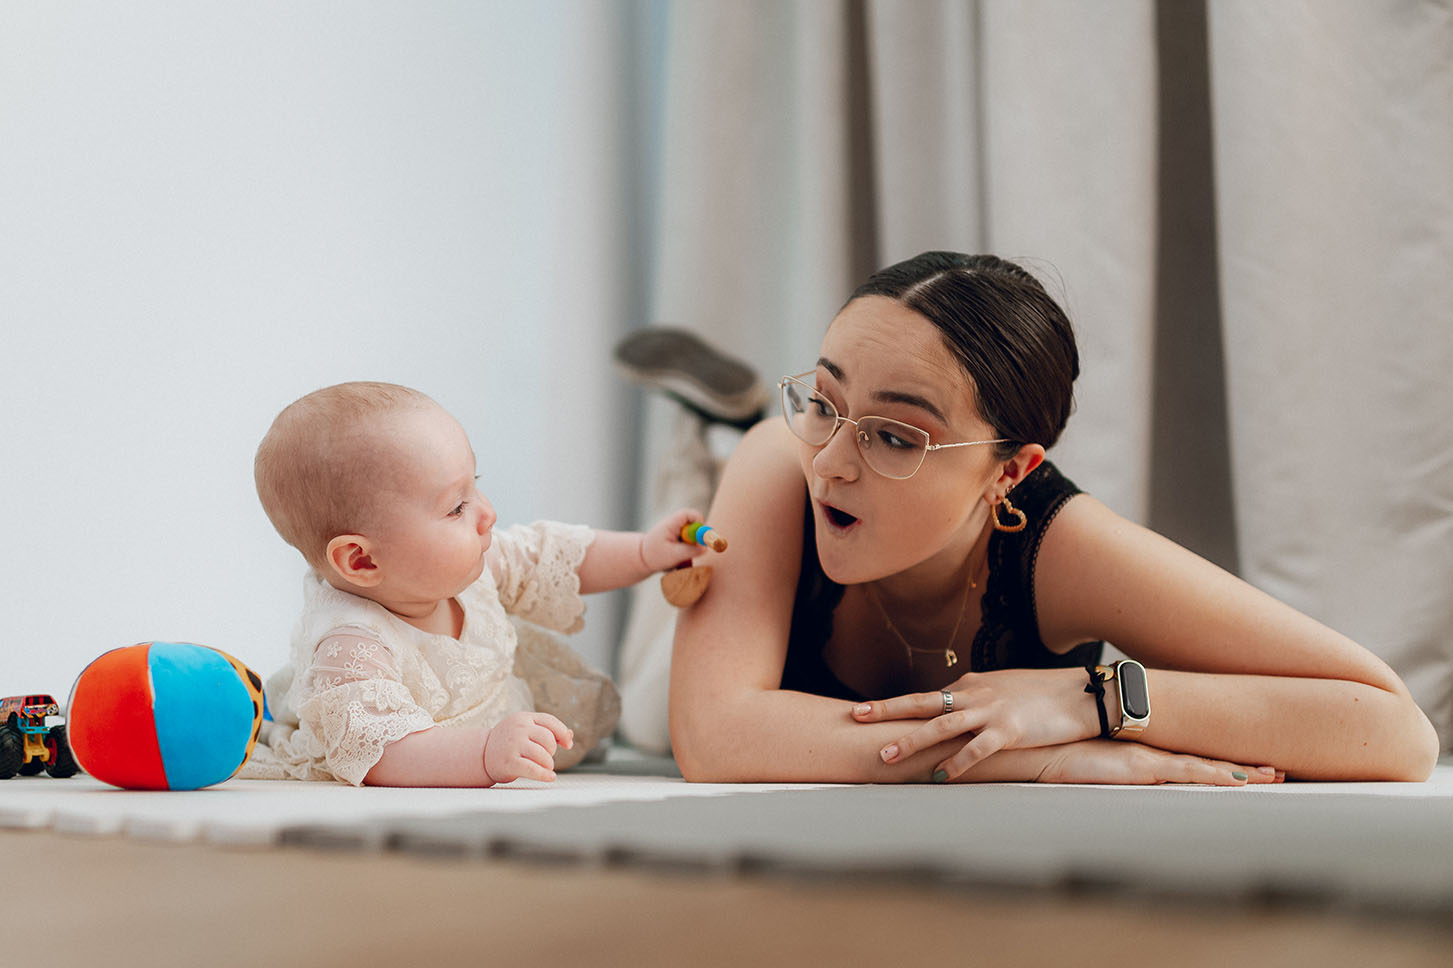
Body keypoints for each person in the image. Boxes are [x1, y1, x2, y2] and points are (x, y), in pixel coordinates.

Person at [669, 252, 1440, 785]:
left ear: (1009, 471)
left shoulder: (1061, 546)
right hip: (711, 558)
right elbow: (712, 738)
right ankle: (716, 431)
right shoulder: (784, 463)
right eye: (823, 402)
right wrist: (1033, 758)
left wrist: (1085, 700)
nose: (831, 463)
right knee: (646, 674)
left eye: (894, 436)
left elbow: (1396, 733)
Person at [242, 381, 710, 787]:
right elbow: (383, 753)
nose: (487, 513)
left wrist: (645, 552)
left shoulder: (465, 568)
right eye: (456, 508)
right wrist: (485, 752)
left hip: (500, 728)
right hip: (430, 758)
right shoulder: (350, 643)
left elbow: (554, 556)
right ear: (362, 560)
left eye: (475, 486)